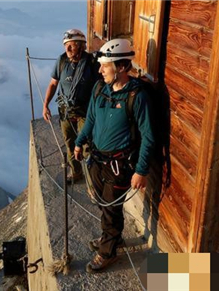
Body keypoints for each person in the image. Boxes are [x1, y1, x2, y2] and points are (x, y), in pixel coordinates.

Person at [74, 39, 155, 273]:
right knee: (102, 202)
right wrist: (79, 143)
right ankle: (114, 238)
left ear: (120, 67)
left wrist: (141, 170)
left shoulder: (136, 97)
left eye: (105, 66)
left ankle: (107, 252)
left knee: (110, 208)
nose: (100, 70)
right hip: (97, 160)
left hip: (119, 165)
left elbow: (148, 136)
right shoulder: (100, 88)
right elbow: (90, 119)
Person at [42, 29, 100, 183]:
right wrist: (45, 105)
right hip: (66, 111)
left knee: (86, 145)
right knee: (70, 143)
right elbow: (53, 83)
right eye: (66, 45)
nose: (67, 49)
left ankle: (92, 180)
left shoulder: (92, 64)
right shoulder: (61, 61)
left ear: (81, 46)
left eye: (71, 45)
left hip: (86, 111)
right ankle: (76, 172)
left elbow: (100, 86)